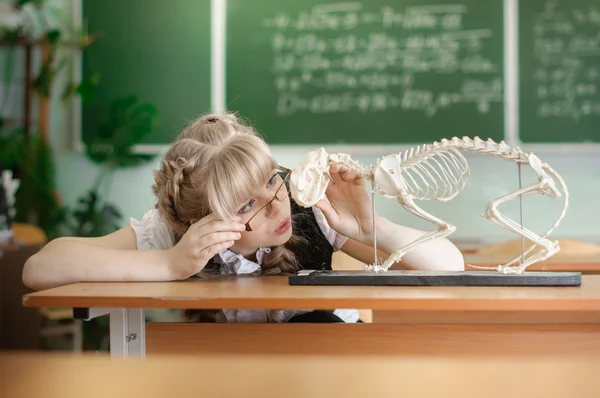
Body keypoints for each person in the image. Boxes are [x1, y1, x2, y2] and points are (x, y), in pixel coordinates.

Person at [22, 113, 465, 323]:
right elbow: (40, 268)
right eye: (246, 206)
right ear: (198, 222)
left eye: (273, 179)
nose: (277, 204)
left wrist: (373, 231)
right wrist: (167, 264)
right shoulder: (172, 235)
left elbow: (451, 267)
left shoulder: (308, 205)